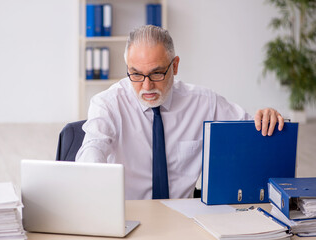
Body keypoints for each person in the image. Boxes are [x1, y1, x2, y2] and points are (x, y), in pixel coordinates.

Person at [76, 25, 284, 200]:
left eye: (157, 73)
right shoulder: (108, 103)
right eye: (136, 74)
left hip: (182, 214)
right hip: (127, 212)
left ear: (174, 66)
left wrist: (267, 117)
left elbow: (252, 133)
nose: (146, 86)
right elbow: (94, 146)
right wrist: (93, 181)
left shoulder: (204, 102)